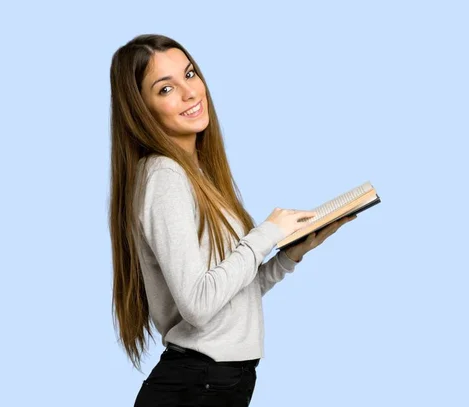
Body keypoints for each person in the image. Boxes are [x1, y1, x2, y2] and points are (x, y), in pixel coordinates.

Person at [108, 34, 356, 407]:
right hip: (197, 384)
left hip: (219, 382)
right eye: (165, 88)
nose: (190, 93)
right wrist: (267, 233)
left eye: (190, 74)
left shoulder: (198, 176)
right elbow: (197, 305)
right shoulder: (164, 177)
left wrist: (289, 255)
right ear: (140, 109)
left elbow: (230, 299)